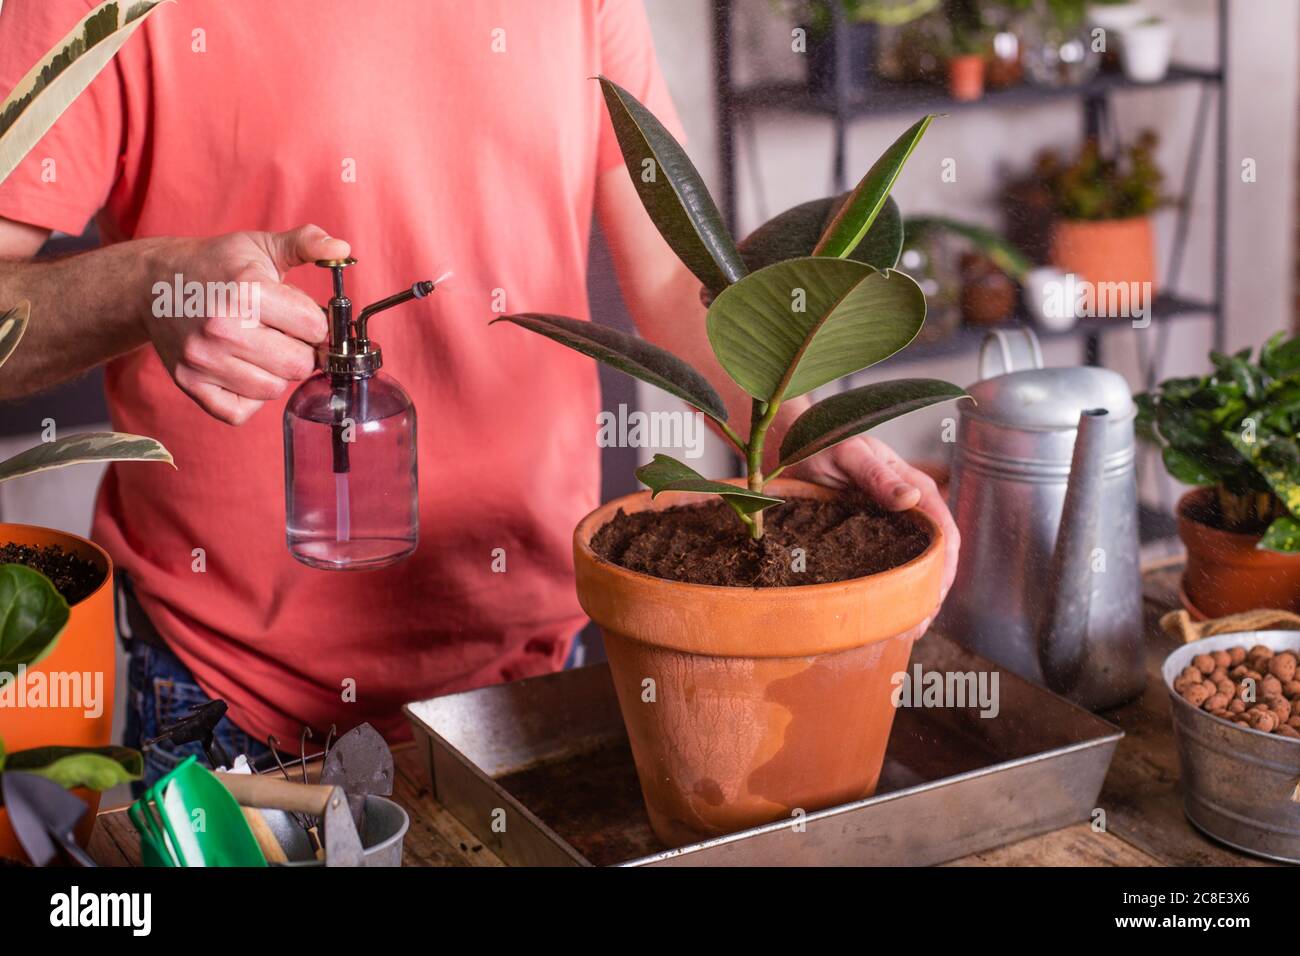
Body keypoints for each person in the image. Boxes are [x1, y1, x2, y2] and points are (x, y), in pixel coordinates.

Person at [0, 1, 957, 782]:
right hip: (231, 701)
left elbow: (676, 285)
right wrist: (150, 286)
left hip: (557, 666)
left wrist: (800, 417)